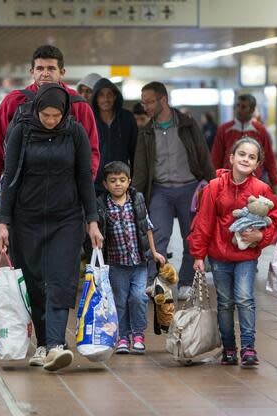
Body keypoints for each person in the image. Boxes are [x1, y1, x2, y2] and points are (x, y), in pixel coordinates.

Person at [0, 84, 103, 371]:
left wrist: (92, 221)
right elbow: (10, 178)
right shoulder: (21, 130)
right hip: (25, 218)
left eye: (57, 115)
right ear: (37, 110)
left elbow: (84, 177)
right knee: (34, 282)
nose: (51, 120)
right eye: (46, 115)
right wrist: (3, 222)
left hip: (66, 218)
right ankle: (43, 344)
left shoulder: (75, 132)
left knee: (60, 278)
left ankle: (56, 344)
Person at [188, 137, 277, 367]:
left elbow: (276, 221)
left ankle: (248, 348)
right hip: (219, 256)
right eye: (241, 154)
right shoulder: (214, 187)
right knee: (225, 302)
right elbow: (203, 222)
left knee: (245, 299)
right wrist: (199, 255)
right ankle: (229, 348)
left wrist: (261, 237)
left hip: (246, 257)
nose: (245, 159)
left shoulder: (262, 190)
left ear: (258, 163)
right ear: (231, 158)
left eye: (252, 157)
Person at [0, 45, 99, 217]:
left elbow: (92, 153)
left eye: (51, 68)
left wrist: (84, 191)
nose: (45, 73)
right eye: (40, 68)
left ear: (62, 71)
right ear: (32, 71)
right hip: (20, 195)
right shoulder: (13, 102)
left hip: (66, 198)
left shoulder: (78, 106)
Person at [132, 81, 214, 300]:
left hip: (189, 188)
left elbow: (203, 155)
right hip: (160, 190)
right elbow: (140, 168)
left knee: (191, 237)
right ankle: (156, 281)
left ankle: (187, 282)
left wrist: (213, 184)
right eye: (143, 102)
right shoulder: (146, 131)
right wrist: (134, 197)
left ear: (163, 100)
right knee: (157, 236)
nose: (146, 107)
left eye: (150, 102)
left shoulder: (187, 124)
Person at [96, 161, 166, 355]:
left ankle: (138, 334)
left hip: (139, 262)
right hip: (116, 263)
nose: (118, 184)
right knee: (119, 300)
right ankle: (123, 336)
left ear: (129, 182)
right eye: (113, 181)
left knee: (138, 297)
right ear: (105, 184)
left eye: (122, 180)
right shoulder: (102, 205)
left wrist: (153, 252)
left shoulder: (137, 201)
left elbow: (147, 228)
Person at [211, 94, 277, 190]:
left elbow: (269, 158)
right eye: (237, 105)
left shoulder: (260, 130)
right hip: (228, 182)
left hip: (254, 182)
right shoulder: (224, 129)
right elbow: (216, 157)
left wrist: (274, 182)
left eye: (243, 107)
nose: (239, 109)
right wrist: (214, 179)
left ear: (251, 110)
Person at [91, 78, 138, 196]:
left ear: (115, 97)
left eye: (109, 95)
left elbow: (135, 151)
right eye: (101, 95)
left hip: (121, 181)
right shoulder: (89, 119)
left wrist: (133, 179)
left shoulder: (127, 118)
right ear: (96, 98)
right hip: (95, 183)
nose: (106, 99)